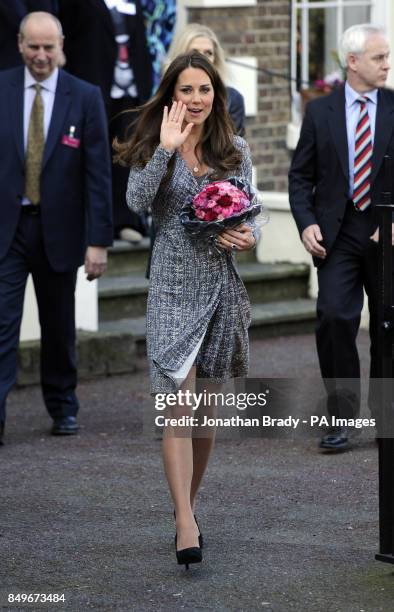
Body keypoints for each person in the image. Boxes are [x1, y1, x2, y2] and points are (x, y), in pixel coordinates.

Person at [115, 52, 256, 568]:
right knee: (178, 406)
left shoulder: (234, 149)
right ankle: (183, 521)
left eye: (204, 90)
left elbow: (251, 209)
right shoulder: (156, 145)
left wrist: (246, 234)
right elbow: (135, 202)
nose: (195, 100)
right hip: (172, 291)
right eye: (186, 90)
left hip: (219, 289)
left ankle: (188, 506)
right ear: (171, 95)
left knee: (205, 415)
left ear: (215, 95)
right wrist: (165, 153)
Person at [0, 12, 113, 445]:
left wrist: (98, 240)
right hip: (8, 232)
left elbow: (97, 174)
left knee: (59, 326)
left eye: (49, 47)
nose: (41, 56)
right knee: (3, 326)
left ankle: (64, 406)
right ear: (19, 44)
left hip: (59, 231)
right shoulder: (2, 89)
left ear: (61, 44)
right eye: (34, 47)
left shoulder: (84, 97)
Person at [288, 24, 393, 452]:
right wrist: (306, 222)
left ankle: (387, 419)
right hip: (337, 235)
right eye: (378, 57)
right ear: (352, 62)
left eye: (387, 57)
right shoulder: (319, 112)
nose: (387, 64)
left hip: (387, 236)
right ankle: (341, 418)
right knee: (334, 318)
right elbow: (300, 177)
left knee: (389, 327)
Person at [57, 0, 153, 244]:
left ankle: (124, 221)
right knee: (90, 155)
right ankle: (88, 221)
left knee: (126, 156)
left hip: (130, 92)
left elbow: (141, 44)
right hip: (93, 87)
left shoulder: (133, 3)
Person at [165, 23, 246, 137]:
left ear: (215, 59)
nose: (202, 59)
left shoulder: (232, 99)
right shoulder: (164, 95)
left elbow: (233, 149)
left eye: (208, 53)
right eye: (195, 52)